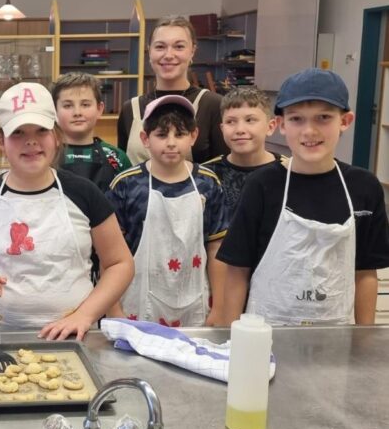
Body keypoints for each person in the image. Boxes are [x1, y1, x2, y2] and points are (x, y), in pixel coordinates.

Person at [0, 82, 134, 340]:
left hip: (72, 339)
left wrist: (85, 315)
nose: (31, 141)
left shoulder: (84, 194)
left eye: (41, 130)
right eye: (18, 132)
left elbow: (120, 263)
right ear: (1, 141)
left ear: (56, 136)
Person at [218, 68, 389, 326]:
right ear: (281, 125)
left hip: (336, 335)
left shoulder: (364, 187)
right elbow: (237, 270)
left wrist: (364, 338)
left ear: (345, 121)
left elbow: (365, 272)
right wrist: (231, 339)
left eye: (323, 117)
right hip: (265, 333)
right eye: (297, 119)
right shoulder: (262, 185)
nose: (309, 131)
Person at [106, 94, 228, 327]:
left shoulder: (208, 183)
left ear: (193, 136)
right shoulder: (126, 184)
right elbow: (110, 254)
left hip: (195, 302)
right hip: (135, 303)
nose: (171, 143)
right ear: (145, 138)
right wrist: (113, 309)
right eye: (162, 135)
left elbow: (216, 249)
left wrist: (220, 307)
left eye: (179, 134)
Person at [117, 15, 228, 165]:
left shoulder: (213, 105)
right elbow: (123, 167)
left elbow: (224, 169)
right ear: (149, 51)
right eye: (160, 47)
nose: (169, 55)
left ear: (192, 51)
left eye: (179, 46)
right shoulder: (130, 109)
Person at [204, 87, 285, 217]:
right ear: (222, 129)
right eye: (231, 122)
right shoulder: (206, 175)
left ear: (270, 127)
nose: (240, 130)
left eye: (250, 120)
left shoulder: (289, 172)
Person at [52, 71, 131, 192]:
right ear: (54, 111)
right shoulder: (46, 155)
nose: (77, 112)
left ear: (99, 109)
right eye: (68, 105)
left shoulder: (117, 157)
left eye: (85, 105)